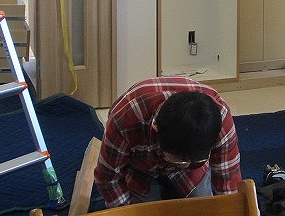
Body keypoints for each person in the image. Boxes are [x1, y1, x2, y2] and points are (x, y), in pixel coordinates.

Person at [94, 77, 242, 208]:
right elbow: (108, 179)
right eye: (179, 159)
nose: (183, 165)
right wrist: (127, 212)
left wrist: (228, 210)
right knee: (146, 211)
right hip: (141, 163)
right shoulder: (125, 120)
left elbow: (228, 181)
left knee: (202, 207)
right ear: (156, 129)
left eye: (190, 160)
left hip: (188, 163)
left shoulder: (220, 120)